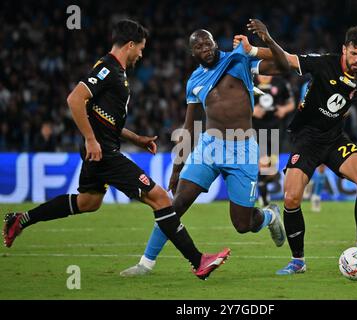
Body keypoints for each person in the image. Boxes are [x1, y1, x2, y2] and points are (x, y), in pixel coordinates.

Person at [2, 19, 230, 280]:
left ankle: (21, 219)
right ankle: (198, 261)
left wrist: (137, 138)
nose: (141, 54)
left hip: (99, 149)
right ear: (130, 45)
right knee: (161, 198)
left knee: (88, 202)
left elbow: (101, 117)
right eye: (141, 48)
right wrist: (91, 139)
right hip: (104, 152)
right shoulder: (108, 69)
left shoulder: (115, 73)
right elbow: (75, 99)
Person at [120, 19, 290, 276]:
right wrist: (177, 170)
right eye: (199, 46)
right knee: (174, 205)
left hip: (242, 149)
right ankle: (146, 263)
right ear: (193, 53)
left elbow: (285, 66)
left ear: (214, 43)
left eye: (208, 43)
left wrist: (265, 39)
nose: (205, 48)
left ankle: (269, 217)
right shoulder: (194, 81)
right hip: (209, 147)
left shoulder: (238, 59)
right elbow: (188, 128)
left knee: (243, 225)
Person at [234, 23, 357, 275]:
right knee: (291, 198)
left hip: (335, 138)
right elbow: (288, 60)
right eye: (353, 53)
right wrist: (252, 50)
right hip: (306, 139)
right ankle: (298, 261)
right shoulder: (324, 63)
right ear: (344, 49)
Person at [252, 74, 295, 206]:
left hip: (276, 130)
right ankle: (264, 199)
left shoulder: (280, 82)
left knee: (270, 170)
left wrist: (283, 109)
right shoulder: (250, 81)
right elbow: (238, 103)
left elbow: (291, 103)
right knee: (263, 164)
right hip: (257, 129)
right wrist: (252, 110)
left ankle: (263, 184)